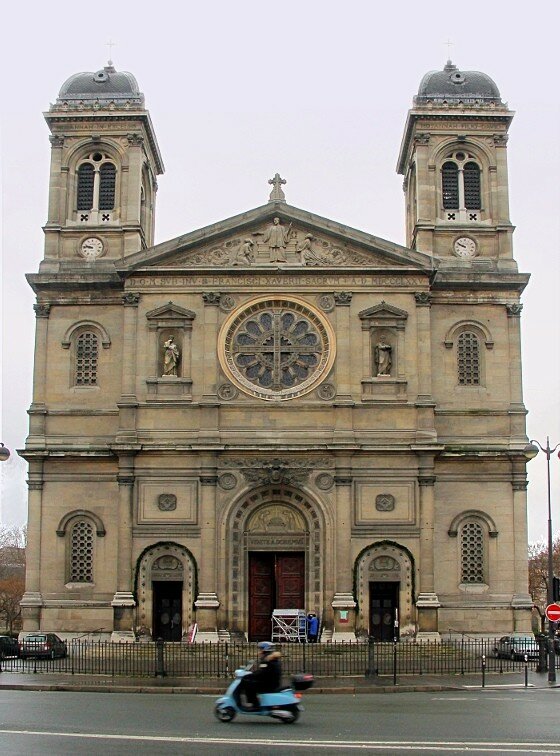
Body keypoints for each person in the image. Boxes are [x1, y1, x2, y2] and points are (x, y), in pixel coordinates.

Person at [236, 641, 282, 710]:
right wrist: (253, 674)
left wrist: (249, 675)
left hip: (269, 684)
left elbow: (261, 673)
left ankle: (255, 705)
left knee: (248, 685)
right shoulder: (271, 658)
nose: (259, 651)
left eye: (261, 649)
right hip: (272, 682)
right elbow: (263, 671)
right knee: (251, 683)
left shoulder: (267, 659)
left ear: (265, 649)